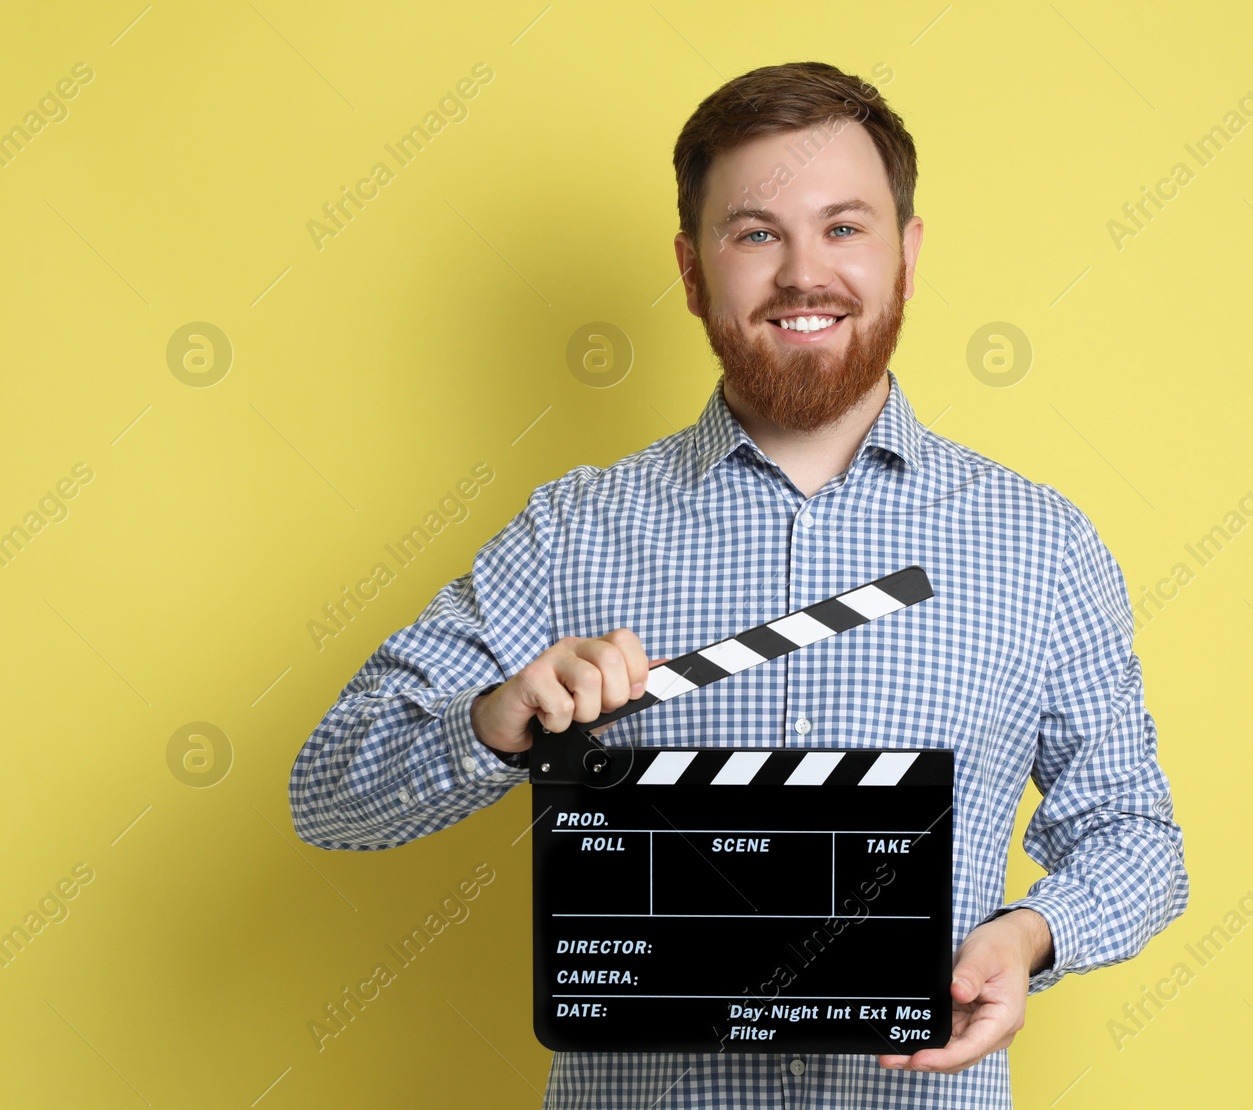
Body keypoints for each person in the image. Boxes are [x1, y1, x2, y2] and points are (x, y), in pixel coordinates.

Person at [289, 60, 1188, 1109]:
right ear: (689, 268)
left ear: (907, 253)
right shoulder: (572, 530)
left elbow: (1134, 835)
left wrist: (1031, 936)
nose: (804, 274)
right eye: (756, 232)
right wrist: (494, 721)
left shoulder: (1039, 543)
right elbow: (329, 792)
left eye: (845, 228)